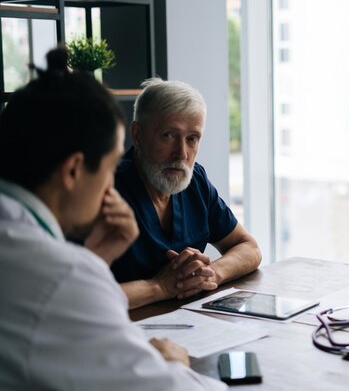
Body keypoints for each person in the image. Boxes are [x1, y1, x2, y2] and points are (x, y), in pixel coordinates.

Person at [0, 47, 227, 390]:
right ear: (74, 170)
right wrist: (174, 364)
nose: (111, 188)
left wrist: (95, 258)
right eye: (108, 170)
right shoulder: (59, 276)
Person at [112, 78, 262, 309]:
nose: (181, 153)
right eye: (169, 136)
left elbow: (248, 247)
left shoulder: (195, 181)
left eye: (192, 139)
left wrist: (211, 272)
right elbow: (79, 298)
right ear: (137, 135)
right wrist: (159, 287)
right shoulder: (105, 189)